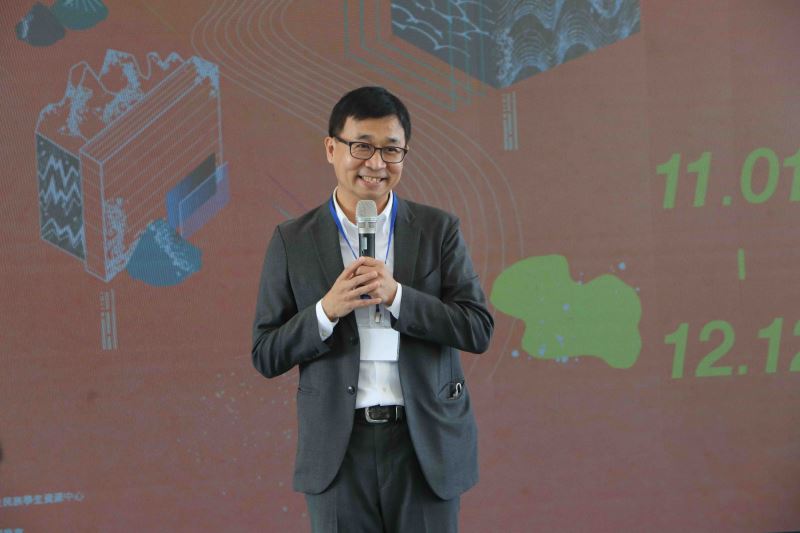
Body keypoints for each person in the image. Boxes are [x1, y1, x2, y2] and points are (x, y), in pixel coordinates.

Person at [252, 86, 494, 532]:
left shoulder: (438, 229)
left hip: (423, 444)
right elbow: (266, 353)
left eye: (391, 150)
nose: (376, 163)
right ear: (331, 149)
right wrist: (326, 311)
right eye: (362, 146)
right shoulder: (292, 240)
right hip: (339, 451)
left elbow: (477, 328)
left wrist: (399, 296)